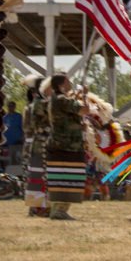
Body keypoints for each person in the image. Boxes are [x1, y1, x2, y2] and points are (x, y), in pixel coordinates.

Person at [44, 75, 89, 221]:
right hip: (68, 145)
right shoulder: (62, 99)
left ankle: (57, 209)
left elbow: (69, 115)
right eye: (68, 81)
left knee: (60, 178)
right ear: (62, 84)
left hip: (59, 144)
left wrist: (78, 96)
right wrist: (85, 96)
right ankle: (60, 210)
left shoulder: (56, 99)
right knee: (69, 177)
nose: (70, 83)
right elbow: (84, 110)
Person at [23, 77, 50, 217]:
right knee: (37, 176)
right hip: (36, 144)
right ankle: (37, 207)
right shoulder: (34, 106)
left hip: (35, 143)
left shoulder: (35, 105)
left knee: (39, 176)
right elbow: (29, 127)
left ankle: (40, 207)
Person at [0, 100, 23, 175]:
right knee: (6, 164)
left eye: (12, 106)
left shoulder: (19, 116)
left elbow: (23, 129)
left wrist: (22, 139)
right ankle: (7, 180)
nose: (10, 107)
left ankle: (16, 179)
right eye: (9, 106)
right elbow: (1, 130)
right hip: (5, 144)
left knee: (16, 163)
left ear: (15, 107)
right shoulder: (4, 117)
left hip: (16, 144)